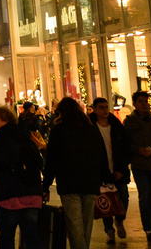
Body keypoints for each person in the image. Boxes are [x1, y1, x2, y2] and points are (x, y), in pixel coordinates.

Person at [42, 97, 112, 249]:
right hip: (90, 182)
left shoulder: (58, 131)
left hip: (69, 184)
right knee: (86, 226)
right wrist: (106, 177)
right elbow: (101, 154)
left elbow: (51, 160)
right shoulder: (91, 130)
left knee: (74, 226)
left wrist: (46, 185)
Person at [0, 104, 44, 249]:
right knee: (31, 236)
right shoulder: (26, 136)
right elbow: (38, 161)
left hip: (9, 195)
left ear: (5, 120)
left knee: (7, 237)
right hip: (32, 194)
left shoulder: (1, 139)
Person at [123, 90, 151, 239]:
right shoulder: (129, 122)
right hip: (139, 165)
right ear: (135, 104)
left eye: (145, 101)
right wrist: (138, 150)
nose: (144, 104)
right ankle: (147, 227)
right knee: (145, 196)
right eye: (140, 101)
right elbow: (125, 143)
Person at [90, 97, 131, 242]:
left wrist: (121, 168)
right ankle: (109, 230)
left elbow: (126, 148)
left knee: (123, 198)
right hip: (101, 172)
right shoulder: (90, 127)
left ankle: (119, 220)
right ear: (94, 109)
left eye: (106, 107)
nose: (105, 110)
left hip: (118, 169)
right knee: (105, 202)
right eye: (101, 107)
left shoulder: (117, 126)